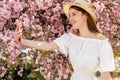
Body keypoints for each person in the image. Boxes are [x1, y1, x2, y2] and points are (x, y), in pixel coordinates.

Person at [14, 0, 115, 80]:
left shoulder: (102, 43)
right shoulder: (70, 38)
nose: (70, 19)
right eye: (69, 16)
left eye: (74, 14)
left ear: (85, 15)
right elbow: (48, 46)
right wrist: (22, 41)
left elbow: (105, 75)